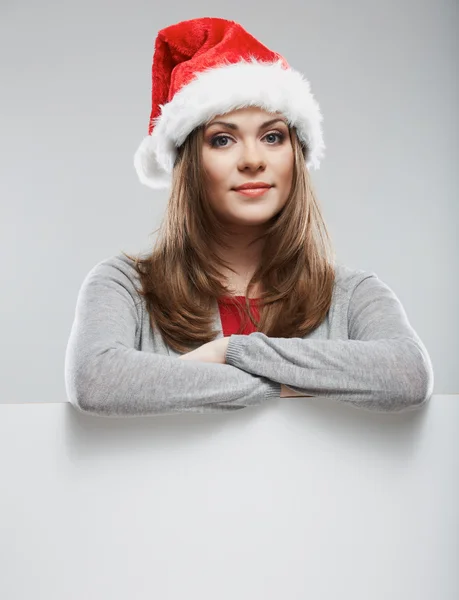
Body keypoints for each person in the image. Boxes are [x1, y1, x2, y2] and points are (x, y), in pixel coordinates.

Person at [64, 17, 434, 417]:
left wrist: (233, 351)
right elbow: (97, 380)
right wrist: (294, 384)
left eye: (272, 137)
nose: (254, 160)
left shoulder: (351, 294)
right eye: (222, 140)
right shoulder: (125, 286)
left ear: (296, 155)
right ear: (190, 164)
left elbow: (407, 374)